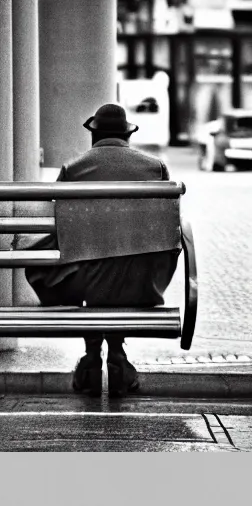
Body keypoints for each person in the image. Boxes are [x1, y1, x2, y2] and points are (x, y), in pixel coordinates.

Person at [22, 103, 181, 397]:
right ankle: (117, 355)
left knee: (88, 259)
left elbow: (55, 227)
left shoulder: (73, 169)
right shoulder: (155, 167)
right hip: (141, 281)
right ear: (127, 136)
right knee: (116, 261)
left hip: (89, 280)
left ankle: (93, 356)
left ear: (93, 136)